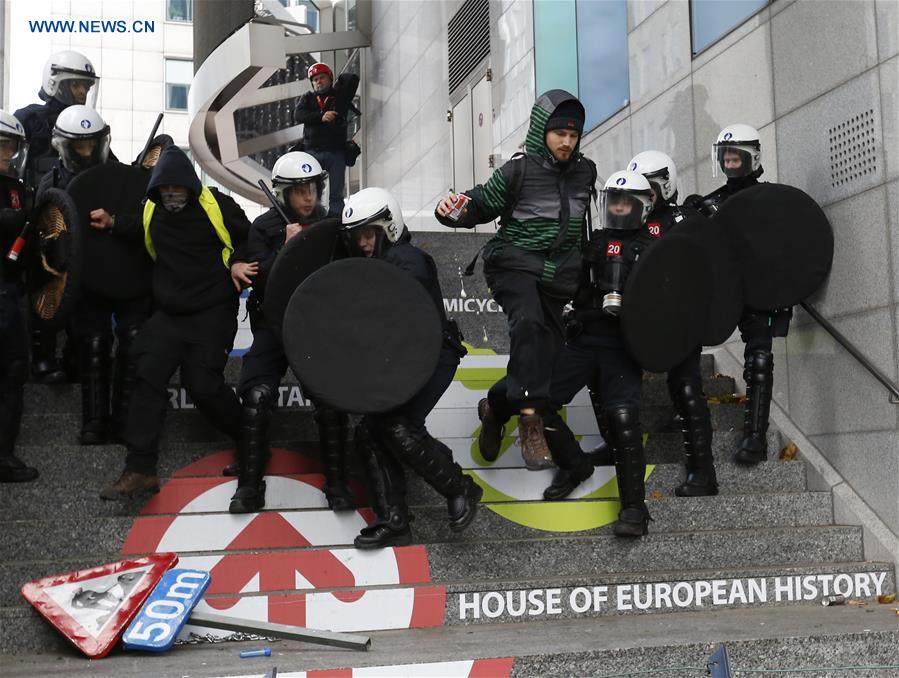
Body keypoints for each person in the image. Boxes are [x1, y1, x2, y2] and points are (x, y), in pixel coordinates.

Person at [434, 90, 596, 471]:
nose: (567, 142)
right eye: (560, 134)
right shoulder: (517, 170)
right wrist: (451, 211)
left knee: (547, 362)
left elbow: (581, 228)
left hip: (557, 275)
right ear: (542, 131)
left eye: (573, 136)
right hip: (514, 266)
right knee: (527, 322)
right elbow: (480, 203)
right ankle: (529, 422)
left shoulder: (585, 172)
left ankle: (494, 407)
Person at [100, 146, 253, 500]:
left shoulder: (218, 206)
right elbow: (136, 226)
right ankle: (139, 469)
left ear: (191, 187)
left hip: (213, 310)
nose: (171, 196)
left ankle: (251, 436)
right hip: (169, 314)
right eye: (164, 190)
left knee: (201, 384)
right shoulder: (152, 208)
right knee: (146, 371)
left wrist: (238, 262)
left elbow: (249, 235)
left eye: (178, 189)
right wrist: (111, 222)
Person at [342, 187, 479, 549]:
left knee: (398, 428)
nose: (363, 244)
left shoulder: (409, 260)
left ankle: (460, 487)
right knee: (371, 433)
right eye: (357, 237)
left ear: (387, 227)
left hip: (432, 357)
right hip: (401, 361)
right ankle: (394, 521)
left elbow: (395, 317)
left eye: (368, 234)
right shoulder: (377, 264)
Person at [228, 151, 355, 514]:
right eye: (299, 190)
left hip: (319, 327)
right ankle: (249, 486)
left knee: (331, 402)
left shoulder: (334, 225)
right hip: (274, 324)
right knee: (255, 397)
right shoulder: (264, 227)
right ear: (284, 193)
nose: (308, 197)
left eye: (313, 188)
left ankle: (337, 483)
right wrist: (285, 247)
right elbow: (256, 275)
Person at [537, 171, 655, 537]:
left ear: (642, 206)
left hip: (624, 347)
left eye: (626, 203)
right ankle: (574, 465)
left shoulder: (655, 249)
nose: (618, 208)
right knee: (538, 401)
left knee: (623, 419)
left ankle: (635, 508)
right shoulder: (593, 243)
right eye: (614, 201)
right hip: (586, 338)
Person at [43, 106, 152, 445]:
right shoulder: (51, 183)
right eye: (80, 146)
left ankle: (123, 421)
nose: (87, 152)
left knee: (134, 338)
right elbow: (43, 237)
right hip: (81, 279)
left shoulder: (127, 177)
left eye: (93, 144)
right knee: (93, 341)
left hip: (127, 273)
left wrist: (117, 220)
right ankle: (93, 422)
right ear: (64, 145)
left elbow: (149, 223)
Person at [685, 124, 788, 466]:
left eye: (735, 157)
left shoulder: (773, 198)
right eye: (725, 157)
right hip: (723, 291)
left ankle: (755, 437)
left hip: (761, 289)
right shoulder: (711, 202)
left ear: (751, 158)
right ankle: (685, 408)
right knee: (683, 344)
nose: (729, 163)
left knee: (759, 356)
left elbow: (788, 243)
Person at [628, 150, 717, 496]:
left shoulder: (685, 218)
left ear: (664, 185)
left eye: (648, 190)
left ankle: (703, 471)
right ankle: (617, 445)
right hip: (644, 314)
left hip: (682, 314)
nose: (644, 198)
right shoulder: (635, 217)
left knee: (687, 385)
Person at [15, 52, 100, 384]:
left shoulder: (90, 124)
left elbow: (108, 172)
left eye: (85, 87)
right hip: (39, 217)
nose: (81, 92)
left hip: (79, 222)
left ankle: (75, 355)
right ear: (55, 82)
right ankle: (42, 355)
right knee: (41, 283)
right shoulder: (30, 119)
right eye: (75, 85)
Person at [0, 109, 39, 483]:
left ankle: (4, 455)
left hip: (11, 289)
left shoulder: (16, 186)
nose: (8, 152)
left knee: (14, 370)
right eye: (2, 145)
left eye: (11, 145)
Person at [293, 62, 360, 217]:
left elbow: (352, 78)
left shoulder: (339, 97)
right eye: (315, 79)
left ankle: (336, 219)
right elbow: (298, 115)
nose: (318, 82)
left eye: (322, 77)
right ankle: (313, 216)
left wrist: (337, 86)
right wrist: (321, 117)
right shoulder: (307, 98)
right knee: (310, 191)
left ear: (330, 78)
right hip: (312, 151)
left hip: (335, 152)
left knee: (336, 193)